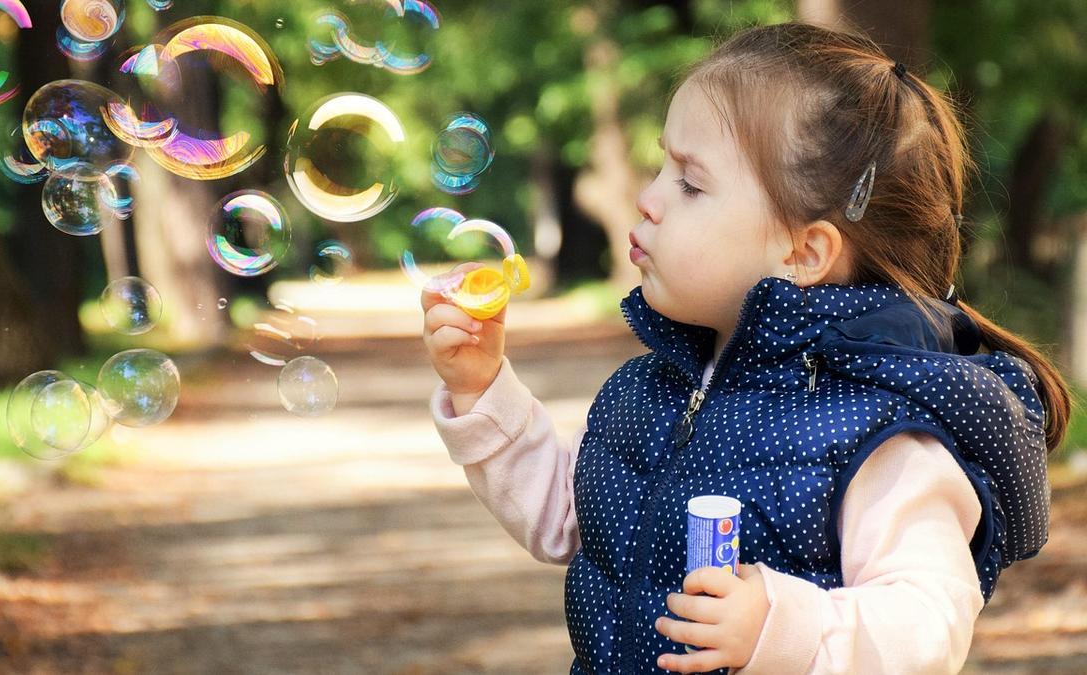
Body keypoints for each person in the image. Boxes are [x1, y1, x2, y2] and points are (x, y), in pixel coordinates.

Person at [421, 21, 1069, 675]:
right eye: (660, 166)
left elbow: (928, 623)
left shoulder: (879, 433)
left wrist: (780, 626)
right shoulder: (652, 388)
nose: (646, 200)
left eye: (690, 184)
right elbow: (574, 515)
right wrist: (482, 389)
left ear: (804, 252)